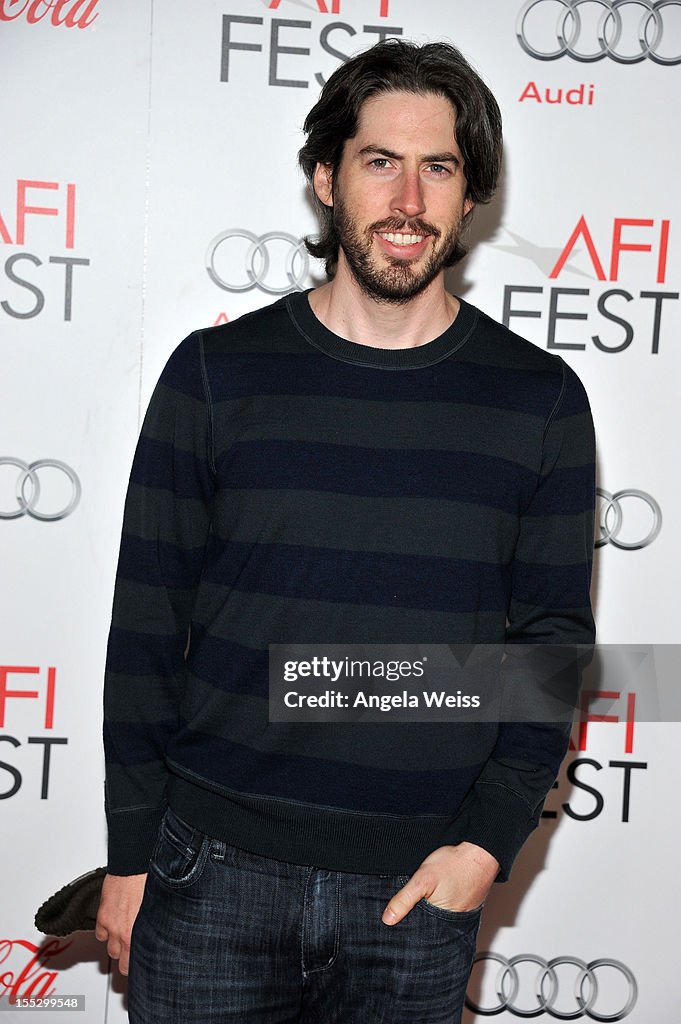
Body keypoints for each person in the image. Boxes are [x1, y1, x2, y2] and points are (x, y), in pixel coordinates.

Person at [95, 38, 596, 1023]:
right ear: (327, 178)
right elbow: (146, 632)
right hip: (209, 882)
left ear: (468, 193)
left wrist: (486, 846)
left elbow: (548, 648)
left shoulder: (539, 403)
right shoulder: (215, 376)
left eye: (438, 166)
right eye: (379, 161)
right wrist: (128, 856)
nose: (408, 197)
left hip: (415, 895)